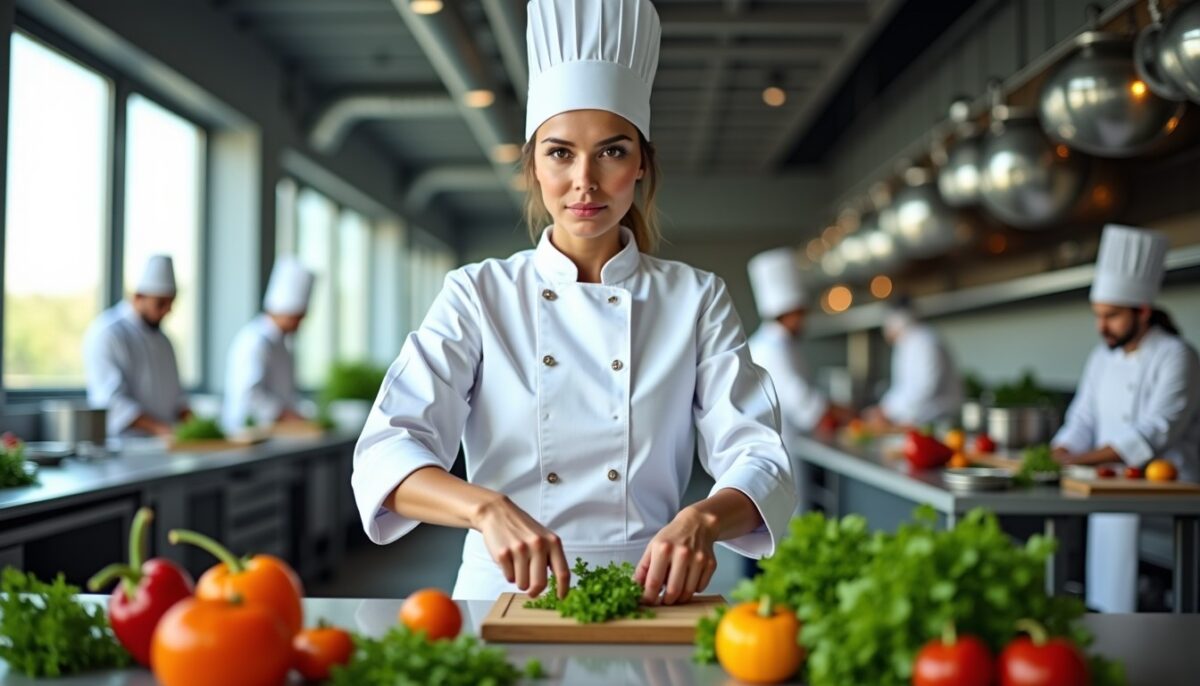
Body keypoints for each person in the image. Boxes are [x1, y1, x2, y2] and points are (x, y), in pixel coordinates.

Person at [352, 0, 795, 604]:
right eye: (560, 152)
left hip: (650, 589)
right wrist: (485, 507)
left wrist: (705, 520)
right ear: (534, 166)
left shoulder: (695, 298)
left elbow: (759, 452)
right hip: (501, 590)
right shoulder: (478, 293)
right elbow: (386, 449)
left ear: (641, 164)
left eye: (612, 151)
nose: (584, 180)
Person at [1052, 224, 1200, 613]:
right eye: (1098, 315)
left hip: (1166, 508)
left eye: (1112, 316)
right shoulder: (1101, 357)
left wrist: (1077, 462)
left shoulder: (1177, 355)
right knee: (1107, 600)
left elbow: (1156, 431)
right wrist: (1062, 448)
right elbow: (1082, 417)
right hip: (1107, 495)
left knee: (1159, 609)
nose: (1101, 327)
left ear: (1143, 310)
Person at [747, 247, 850, 438]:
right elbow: (806, 404)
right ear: (789, 312)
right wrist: (849, 415)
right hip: (779, 446)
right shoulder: (771, 350)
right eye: (801, 314)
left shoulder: (773, 343)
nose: (804, 321)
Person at [84, 255, 190, 437]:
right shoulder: (108, 333)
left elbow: (177, 399)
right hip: (125, 446)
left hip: (168, 445)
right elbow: (111, 401)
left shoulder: (165, 341)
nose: (167, 311)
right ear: (138, 297)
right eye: (161, 303)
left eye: (171, 303)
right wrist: (161, 429)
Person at [221, 256, 315, 434]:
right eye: (297, 317)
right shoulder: (253, 340)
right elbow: (249, 395)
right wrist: (285, 415)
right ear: (284, 311)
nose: (299, 323)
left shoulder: (283, 345)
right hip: (246, 433)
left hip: (274, 434)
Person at [862, 299, 963, 429]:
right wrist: (884, 407)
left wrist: (887, 410)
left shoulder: (924, 342)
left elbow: (925, 387)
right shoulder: (906, 343)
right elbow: (902, 386)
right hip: (917, 421)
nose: (885, 329)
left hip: (937, 422)